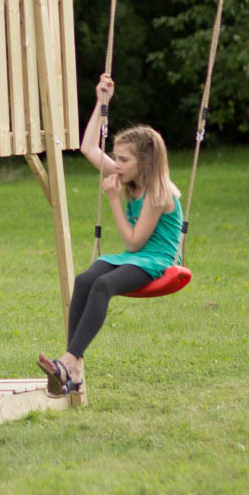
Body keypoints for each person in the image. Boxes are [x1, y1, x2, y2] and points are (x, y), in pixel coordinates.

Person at [39, 73, 183, 395]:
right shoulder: (128, 176)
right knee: (84, 280)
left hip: (156, 261)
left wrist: (115, 201)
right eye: (115, 157)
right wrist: (101, 102)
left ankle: (69, 361)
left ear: (144, 163)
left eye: (122, 159)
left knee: (104, 285)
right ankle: (73, 368)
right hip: (133, 258)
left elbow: (134, 241)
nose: (115, 164)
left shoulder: (159, 193)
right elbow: (88, 147)